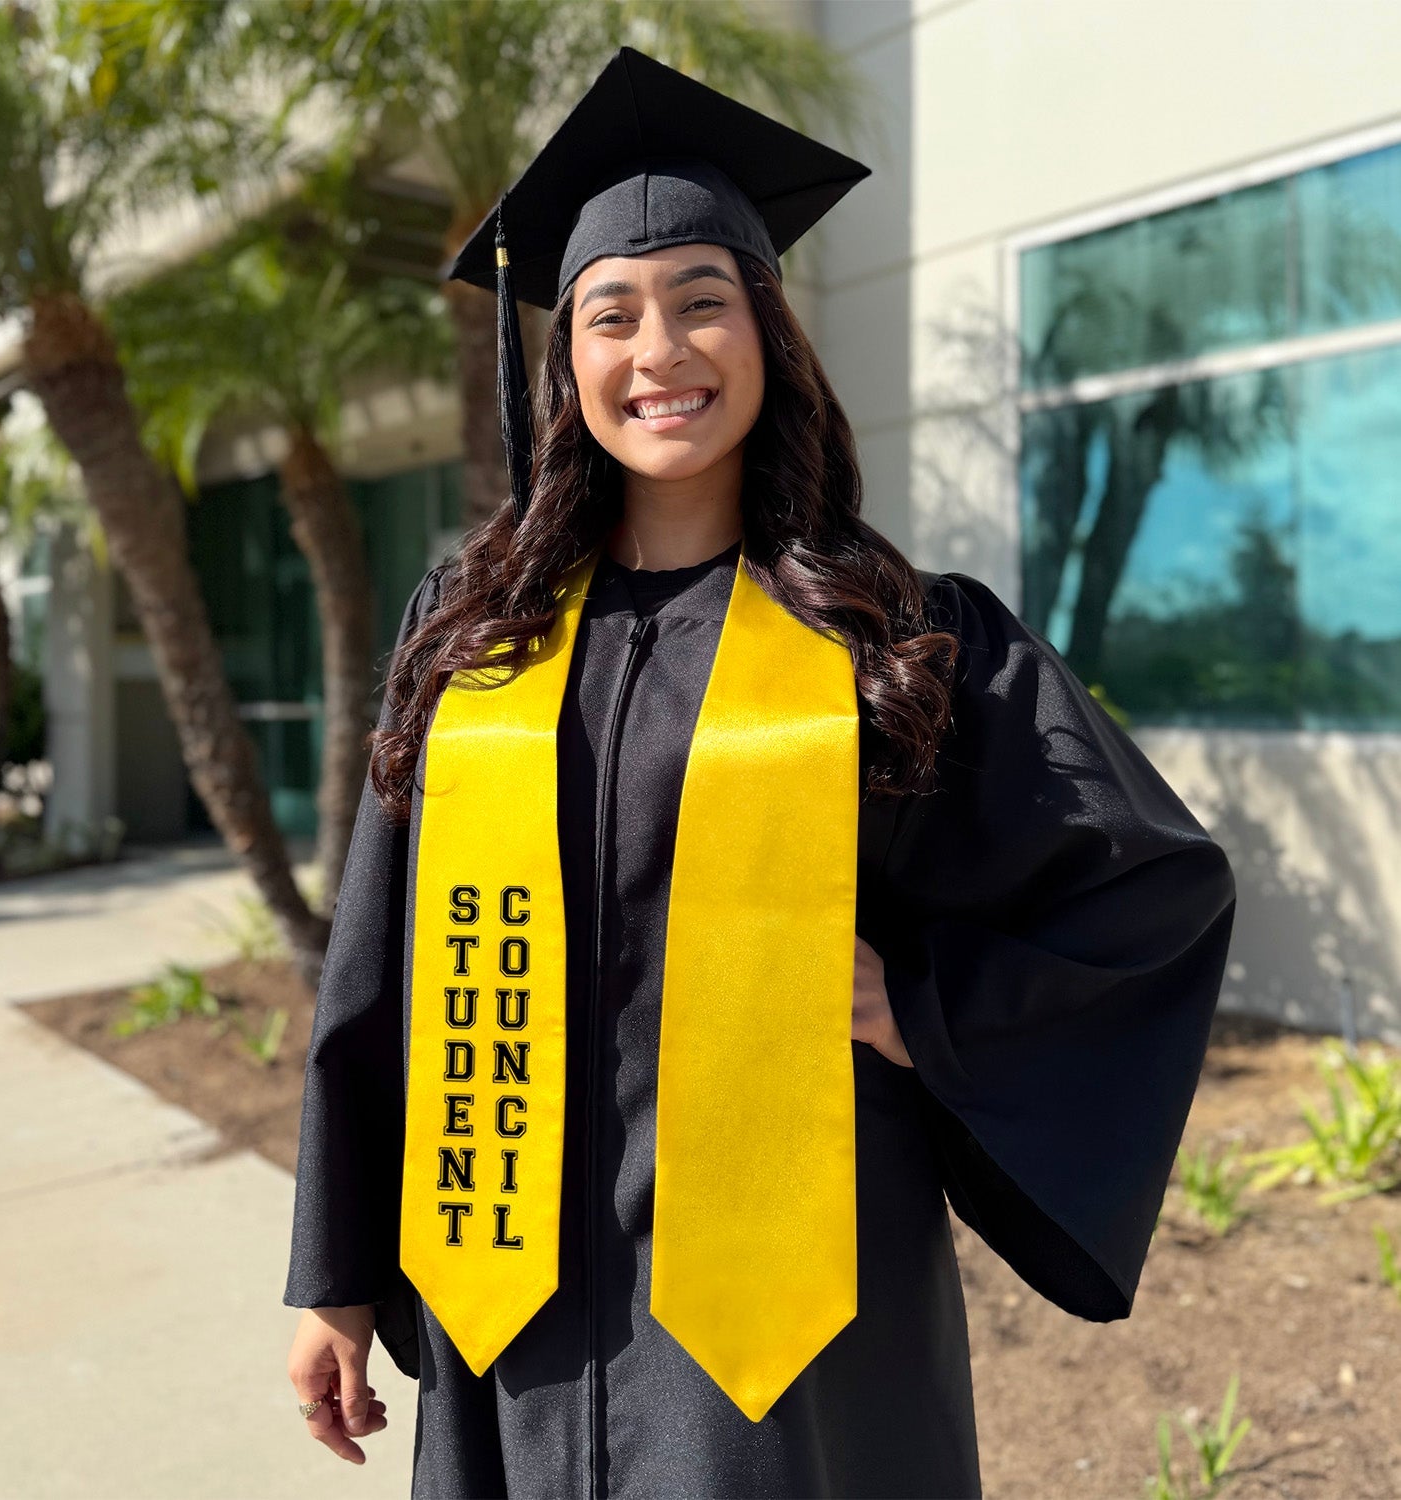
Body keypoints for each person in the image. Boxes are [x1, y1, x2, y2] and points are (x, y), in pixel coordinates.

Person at [283, 47, 1238, 1500]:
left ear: (767, 338)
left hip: (786, 1333)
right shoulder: (474, 639)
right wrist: (338, 1273)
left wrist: (921, 1007)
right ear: (567, 367)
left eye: (701, 303)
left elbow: (1149, 894)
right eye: (612, 315)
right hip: (510, 1298)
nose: (659, 350)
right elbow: (382, 971)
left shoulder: (898, 636)